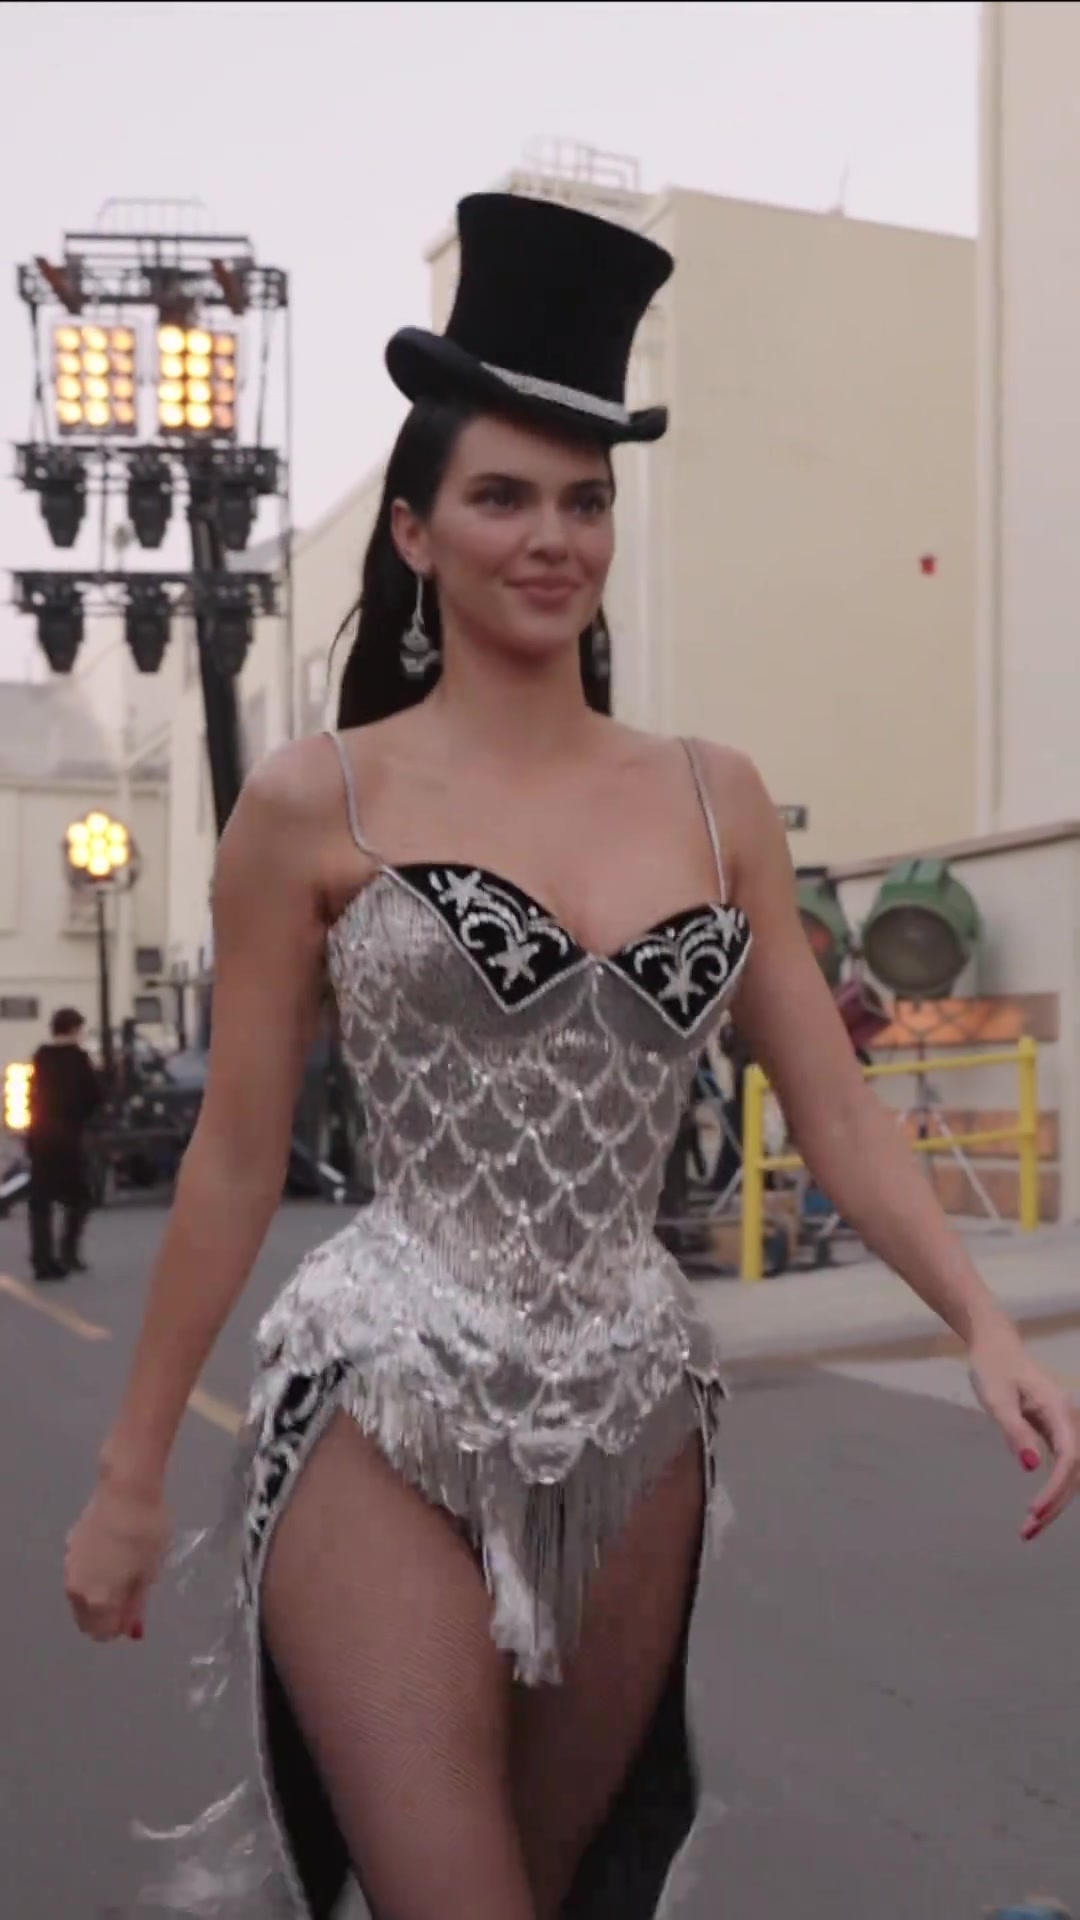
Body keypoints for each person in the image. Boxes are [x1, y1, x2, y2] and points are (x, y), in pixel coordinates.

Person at [64, 192, 1077, 1920]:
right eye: (504, 498)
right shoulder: (314, 801)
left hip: (639, 1417)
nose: (552, 538)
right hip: (385, 1393)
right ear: (415, 532)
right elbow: (233, 1159)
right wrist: (132, 1470)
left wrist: (983, 1323)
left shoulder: (714, 796)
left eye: (585, 500)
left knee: (557, 1890)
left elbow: (835, 1112)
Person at [27, 1005, 100, 1281]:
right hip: (68, 1138)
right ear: (74, 1029)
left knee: (41, 1202)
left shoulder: (40, 1057)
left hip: (40, 1135)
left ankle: (42, 1260)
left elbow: (33, 1095)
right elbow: (93, 1097)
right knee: (81, 1197)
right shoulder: (78, 1059)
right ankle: (68, 1251)